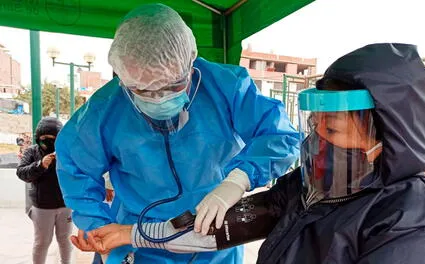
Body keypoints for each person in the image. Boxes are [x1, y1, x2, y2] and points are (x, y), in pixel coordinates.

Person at [82, 43, 425, 263]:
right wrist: (131, 233)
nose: (315, 139)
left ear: (385, 139)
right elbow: (221, 227)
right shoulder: (314, 188)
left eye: (333, 129)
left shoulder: (415, 231)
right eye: (314, 125)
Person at [55, 3, 299, 264]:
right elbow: (75, 169)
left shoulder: (227, 88)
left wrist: (237, 180)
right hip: (136, 240)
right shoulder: (104, 111)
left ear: (190, 61)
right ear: (123, 76)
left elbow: (280, 136)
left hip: (213, 231)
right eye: (143, 90)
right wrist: (97, 226)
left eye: (174, 85)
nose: (159, 98)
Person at [16, 117, 72, 264]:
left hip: (65, 205)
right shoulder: (32, 152)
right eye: (44, 138)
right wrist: (40, 165)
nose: (48, 142)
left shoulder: (66, 152)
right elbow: (21, 172)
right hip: (42, 207)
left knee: (65, 240)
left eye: (53, 138)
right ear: (37, 137)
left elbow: (80, 171)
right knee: (42, 242)